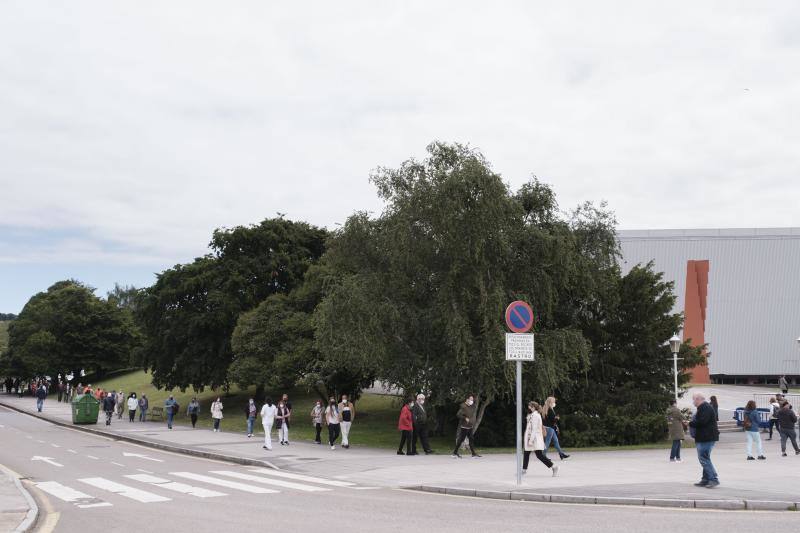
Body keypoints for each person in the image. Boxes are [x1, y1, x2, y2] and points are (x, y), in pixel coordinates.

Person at [688, 393, 720, 488]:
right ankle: (705, 479)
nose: (693, 402)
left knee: (703, 458)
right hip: (704, 437)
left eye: (694, 400)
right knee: (705, 458)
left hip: (706, 437)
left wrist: (690, 423)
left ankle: (713, 479)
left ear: (698, 399)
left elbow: (702, 422)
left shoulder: (705, 408)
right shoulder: (704, 407)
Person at [523, 401, 559, 476]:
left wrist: (531, 440)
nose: (528, 408)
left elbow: (535, 429)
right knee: (526, 453)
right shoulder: (532, 415)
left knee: (539, 455)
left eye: (529, 406)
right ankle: (524, 470)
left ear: (533, 407)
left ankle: (554, 466)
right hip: (532, 438)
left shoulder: (536, 416)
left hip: (535, 439)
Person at [451, 394, 481, 458]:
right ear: (467, 400)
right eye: (471, 399)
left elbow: (472, 413)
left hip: (470, 426)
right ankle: (454, 453)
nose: (472, 401)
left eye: (472, 400)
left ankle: (473, 454)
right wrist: (465, 418)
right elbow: (458, 415)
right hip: (464, 426)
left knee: (471, 439)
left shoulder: (471, 406)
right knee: (461, 439)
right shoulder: (463, 406)